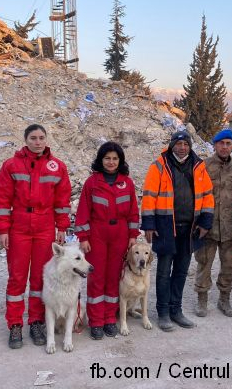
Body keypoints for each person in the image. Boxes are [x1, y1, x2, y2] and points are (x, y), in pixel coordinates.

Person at [0, 124, 71, 349]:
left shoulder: (57, 167)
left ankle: (36, 321)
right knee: (16, 278)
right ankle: (15, 324)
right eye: (33, 138)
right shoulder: (11, 165)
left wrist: (62, 227)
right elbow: (1, 199)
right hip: (19, 227)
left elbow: (63, 201)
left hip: (45, 227)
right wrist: (2, 229)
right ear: (25, 140)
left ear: (46, 140)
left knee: (39, 279)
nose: (38, 142)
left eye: (41, 138)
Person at [141, 130, 214, 331]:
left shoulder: (198, 166)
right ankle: (163, 312)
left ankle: (176, 310)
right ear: (172, 144)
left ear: (190, 146)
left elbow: (207, 196)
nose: (182, 148)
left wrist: (205, 222)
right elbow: (149, 195)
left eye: (186, 144)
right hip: (165, 227)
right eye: (179, 143)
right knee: (164, 272)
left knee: (181, 271)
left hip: (190, 228)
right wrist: (149, 223)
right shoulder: (159, 165)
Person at [74, 142, 140, 340]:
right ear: (100, 160)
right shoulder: (91, 183)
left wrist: (132, 235)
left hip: (119, 234)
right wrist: (83, 238)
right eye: (107, 158)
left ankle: (110, 318)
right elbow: (83, 212)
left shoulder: (127, 183)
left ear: (120, 161)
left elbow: (133, 212)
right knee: (97, 278)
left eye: (115, 159)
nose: (111, 162)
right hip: (97, 234)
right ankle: (96, 321)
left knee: (113, 277)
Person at [194, 129, 232, 317]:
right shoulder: (203, 167)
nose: (224, 147)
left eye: (228, 143)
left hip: (230, 227)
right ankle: (202, 299)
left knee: (229, 265)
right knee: (204, 263)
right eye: (221, 143)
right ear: (215, 145)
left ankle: (224, 299)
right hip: (207, 227)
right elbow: (196, 196)